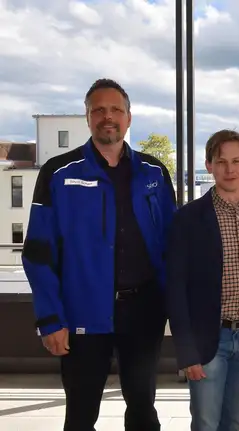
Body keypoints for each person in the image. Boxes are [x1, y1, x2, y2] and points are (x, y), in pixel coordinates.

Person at [21, 78, 177, 430]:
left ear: (129, 117)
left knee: (142, 408)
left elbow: (172, 244)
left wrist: (173, 306)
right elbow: (37, 253)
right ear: (88, 117)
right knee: (80, 412)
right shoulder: (58, 173)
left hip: (142, 312)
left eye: (116, 110)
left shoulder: (153, 172)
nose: (108, 117)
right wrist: (50, 319)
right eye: (99, 110)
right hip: (82, 314)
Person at [166, 129, 239, 431]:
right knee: (205, 422)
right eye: (221, 162)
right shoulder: (188, 218)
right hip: (208, 338)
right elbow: (175, 288)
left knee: (234, 419)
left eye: (236, 161)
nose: (229, 169)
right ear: (209, 166)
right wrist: (186, 351)